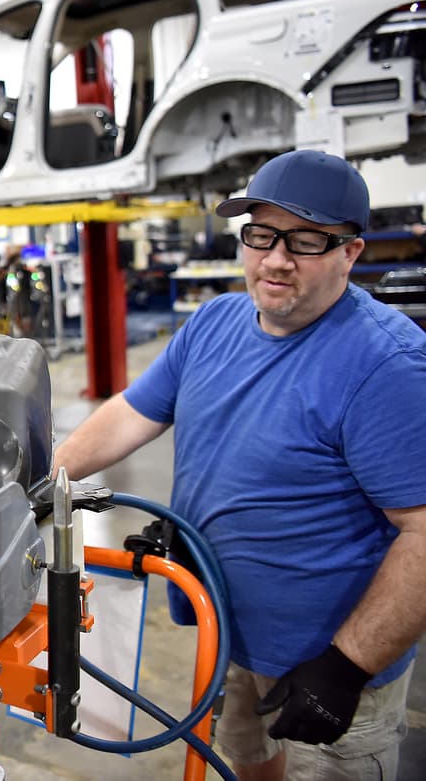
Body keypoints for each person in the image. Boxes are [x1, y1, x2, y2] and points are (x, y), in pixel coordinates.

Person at [52, 149, 426, 781]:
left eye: (307, 240)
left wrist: (347, 666)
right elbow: (130, 415)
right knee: (247, 762)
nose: (276, 259)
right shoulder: (214, 323)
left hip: (327, 659)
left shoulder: (387, 366)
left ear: (351, 252)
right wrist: (37, 477)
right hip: (224, 628)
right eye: (261, 234)